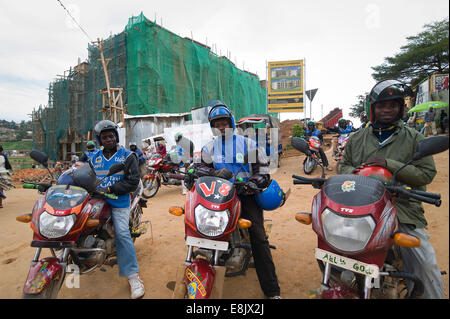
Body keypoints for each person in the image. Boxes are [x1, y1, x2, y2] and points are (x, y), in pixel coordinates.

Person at [339, 79, 443, 299]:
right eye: (382, 105)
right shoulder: (356, 139)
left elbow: (426, 174)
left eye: (393, 105)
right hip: (361, 207)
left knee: (424, 262)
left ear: (401, 108)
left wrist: (390, 165)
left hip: (401, 208)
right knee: (334, 242)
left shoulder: (414, 138)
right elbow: (343, 165)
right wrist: (354, 171)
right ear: (372, 109)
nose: (387, 110)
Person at [192, 100, 281, 299]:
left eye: (224, 122)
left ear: (231, 122)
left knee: (258, 237)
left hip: (245, 195)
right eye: (217, 124)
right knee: (202, 228)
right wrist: (215, 171)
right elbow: (198, 167)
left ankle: (272, 290)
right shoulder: (209, 148)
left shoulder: (248, 144)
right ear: (212, 127)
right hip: (218, 195)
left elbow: (262, 170)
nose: (221, 126)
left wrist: (252, 182)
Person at [88, 120, 145, 299]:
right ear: (99, 140)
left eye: (111, 136)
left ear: (116, 136)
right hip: (98, 199)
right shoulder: (94, 158)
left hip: (118, 200)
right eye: (104, 137)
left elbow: (132, 181)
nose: (109, 139)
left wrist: (111, 189)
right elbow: (86, 176)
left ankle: (133, 277)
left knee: (122, 233)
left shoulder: (127, 156)